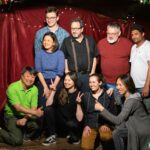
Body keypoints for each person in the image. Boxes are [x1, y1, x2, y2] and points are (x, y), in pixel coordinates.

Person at [95, 74, 150, 150]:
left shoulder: (132, 101)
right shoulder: (125, 97)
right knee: (116, 132)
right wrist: (112, 90)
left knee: (117, 133)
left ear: (127, 85)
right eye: (117, 85)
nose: (117, 87)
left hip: (142, 129)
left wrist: (101, 109)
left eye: (120, 85)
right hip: (133, 125)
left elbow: (118, 120)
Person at [0, 66, 43, 145]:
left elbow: (33, 107)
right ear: (22, 76)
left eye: (33, 77)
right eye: (28, 76)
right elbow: (18, 108)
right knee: (17, 141)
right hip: (12, 116)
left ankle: (22, 133)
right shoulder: (12, 87)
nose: (30, 79)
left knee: (36, 125)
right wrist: (35, 113)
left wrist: (25, 118)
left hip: (25, 115)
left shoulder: (34, 89)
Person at [35, 31, 64, 143]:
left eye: (49, 40)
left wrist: (52, 88)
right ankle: (38, 131)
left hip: (56, 81)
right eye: (44, 40)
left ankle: (52, 134)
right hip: (43, 81)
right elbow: (38, 70)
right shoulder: (39, 53)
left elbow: (60, 72)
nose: (46, 42)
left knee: (50, 106)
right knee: (42, 105)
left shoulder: (60, 54)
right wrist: (45, 87)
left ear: (54, 42)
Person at [42, 72, 83, 146]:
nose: (66, 82)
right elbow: (47, 105)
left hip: (71, 124)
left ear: (75, 81)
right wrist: (53, 92)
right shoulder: (61, 90)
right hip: (60, 123)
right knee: (48, 109)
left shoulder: (79, 94)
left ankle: (74, 136)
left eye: (69, 80)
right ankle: (52, 135)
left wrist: (79, 104)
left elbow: (80, 119)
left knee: (72, 124)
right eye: (65, 80)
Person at [97, 22, 132, 105]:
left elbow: (134, 62)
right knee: (108, 106)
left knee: (123, 106)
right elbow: (96, 60)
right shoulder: (101, 43)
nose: (110, 36)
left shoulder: (128, 44)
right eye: (108, 33)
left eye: (113, 33)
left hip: (122, 84)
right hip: (106, 82)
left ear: (119, 33)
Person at [61, 18, 99, 92]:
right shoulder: (66, 41)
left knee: (86, 97)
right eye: (72, 28)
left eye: (76, 28)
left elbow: (95, 56)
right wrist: (66, 70)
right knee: (73, 98)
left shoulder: (90, 40)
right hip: (73, 76)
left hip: (87, 75)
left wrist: (93, 71)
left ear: (82, 29)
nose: (74, 31)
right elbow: (64, 57)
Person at [81, 73, 117, 150]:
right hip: (90, 125)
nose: (91, 84)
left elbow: (113, 112)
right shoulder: (86, 95)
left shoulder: (108, 94)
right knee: (85, 147)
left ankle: (101, 142)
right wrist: (86, 125)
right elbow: (85, 113)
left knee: (106, 137)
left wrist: (107, 124)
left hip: (104, 124)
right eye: (90, 82)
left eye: (94, 82)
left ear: (100, 83)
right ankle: (96, 141)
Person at [130, 23, 150, 114]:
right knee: (137, 111)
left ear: (143, 34)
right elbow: (133, 66)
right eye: (132, 34)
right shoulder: (133, 47)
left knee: (148, 110)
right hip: (134, 86)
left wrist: (147, 86)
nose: (134, 36)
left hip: (144, 86)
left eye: (136, 34)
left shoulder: (148, 46)